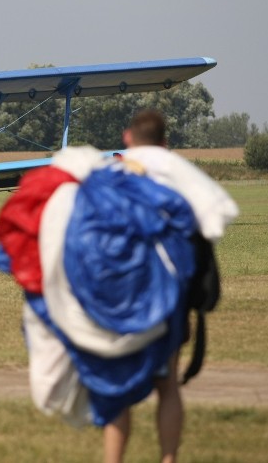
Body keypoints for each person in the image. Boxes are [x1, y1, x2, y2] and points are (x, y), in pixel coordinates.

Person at [103, 108, 238, 463]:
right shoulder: (182, 173)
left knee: (119, 388)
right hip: (168, 294)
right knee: (168, 386)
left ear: (127, 138)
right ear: (165, 143)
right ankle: (168, 459)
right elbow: (216, 221)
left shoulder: (110, 173)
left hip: (122, 295)